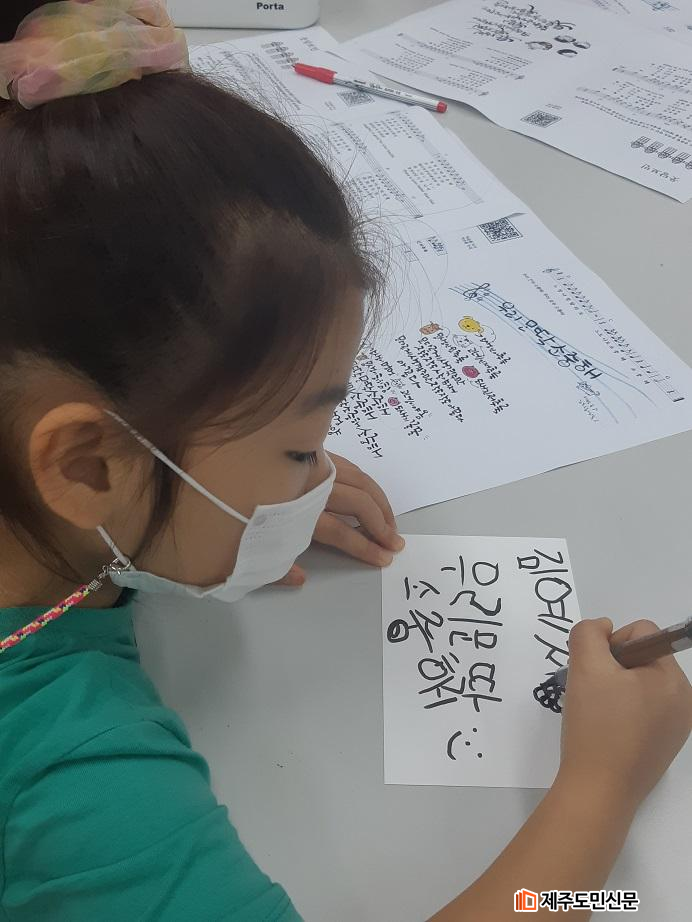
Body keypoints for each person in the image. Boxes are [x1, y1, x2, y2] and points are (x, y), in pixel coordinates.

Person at [0, 3, 689, 921]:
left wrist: (217, 493)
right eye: (298, 449)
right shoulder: (78, 785)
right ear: (91, 468)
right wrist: (600, 792)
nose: (320, 478)